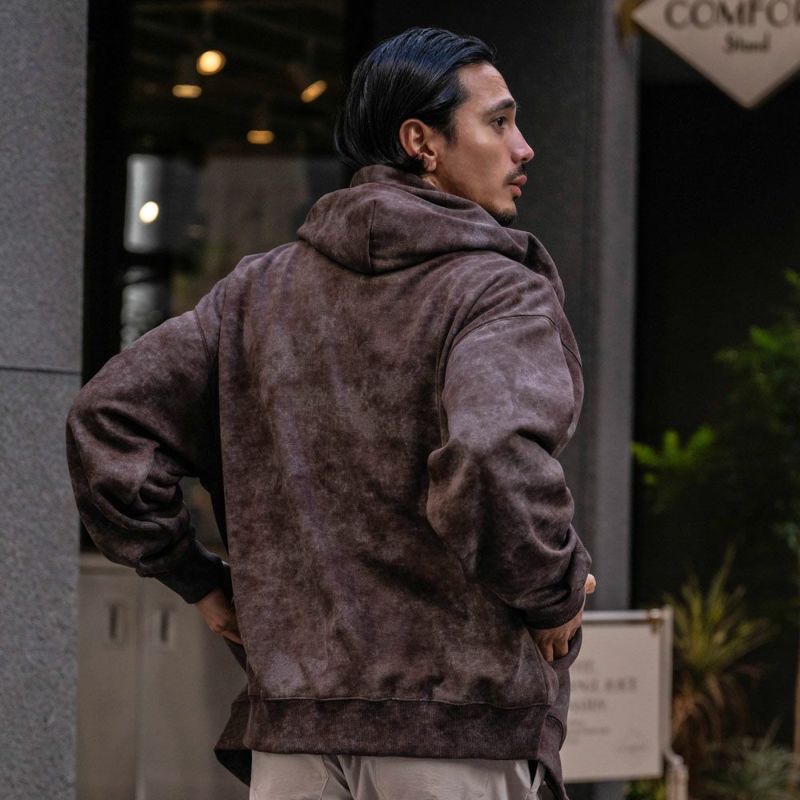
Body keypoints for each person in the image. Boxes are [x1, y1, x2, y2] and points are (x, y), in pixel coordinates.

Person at [66, 26, 595, 800]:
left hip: (297, 739)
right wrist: (553, 589)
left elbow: (106, 419)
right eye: (499, 121)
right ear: (421, 142)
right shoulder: (493, 289)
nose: (525, 147)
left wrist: (197, 579)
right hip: (454, 736)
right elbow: (492, 456)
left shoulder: (258, 291)